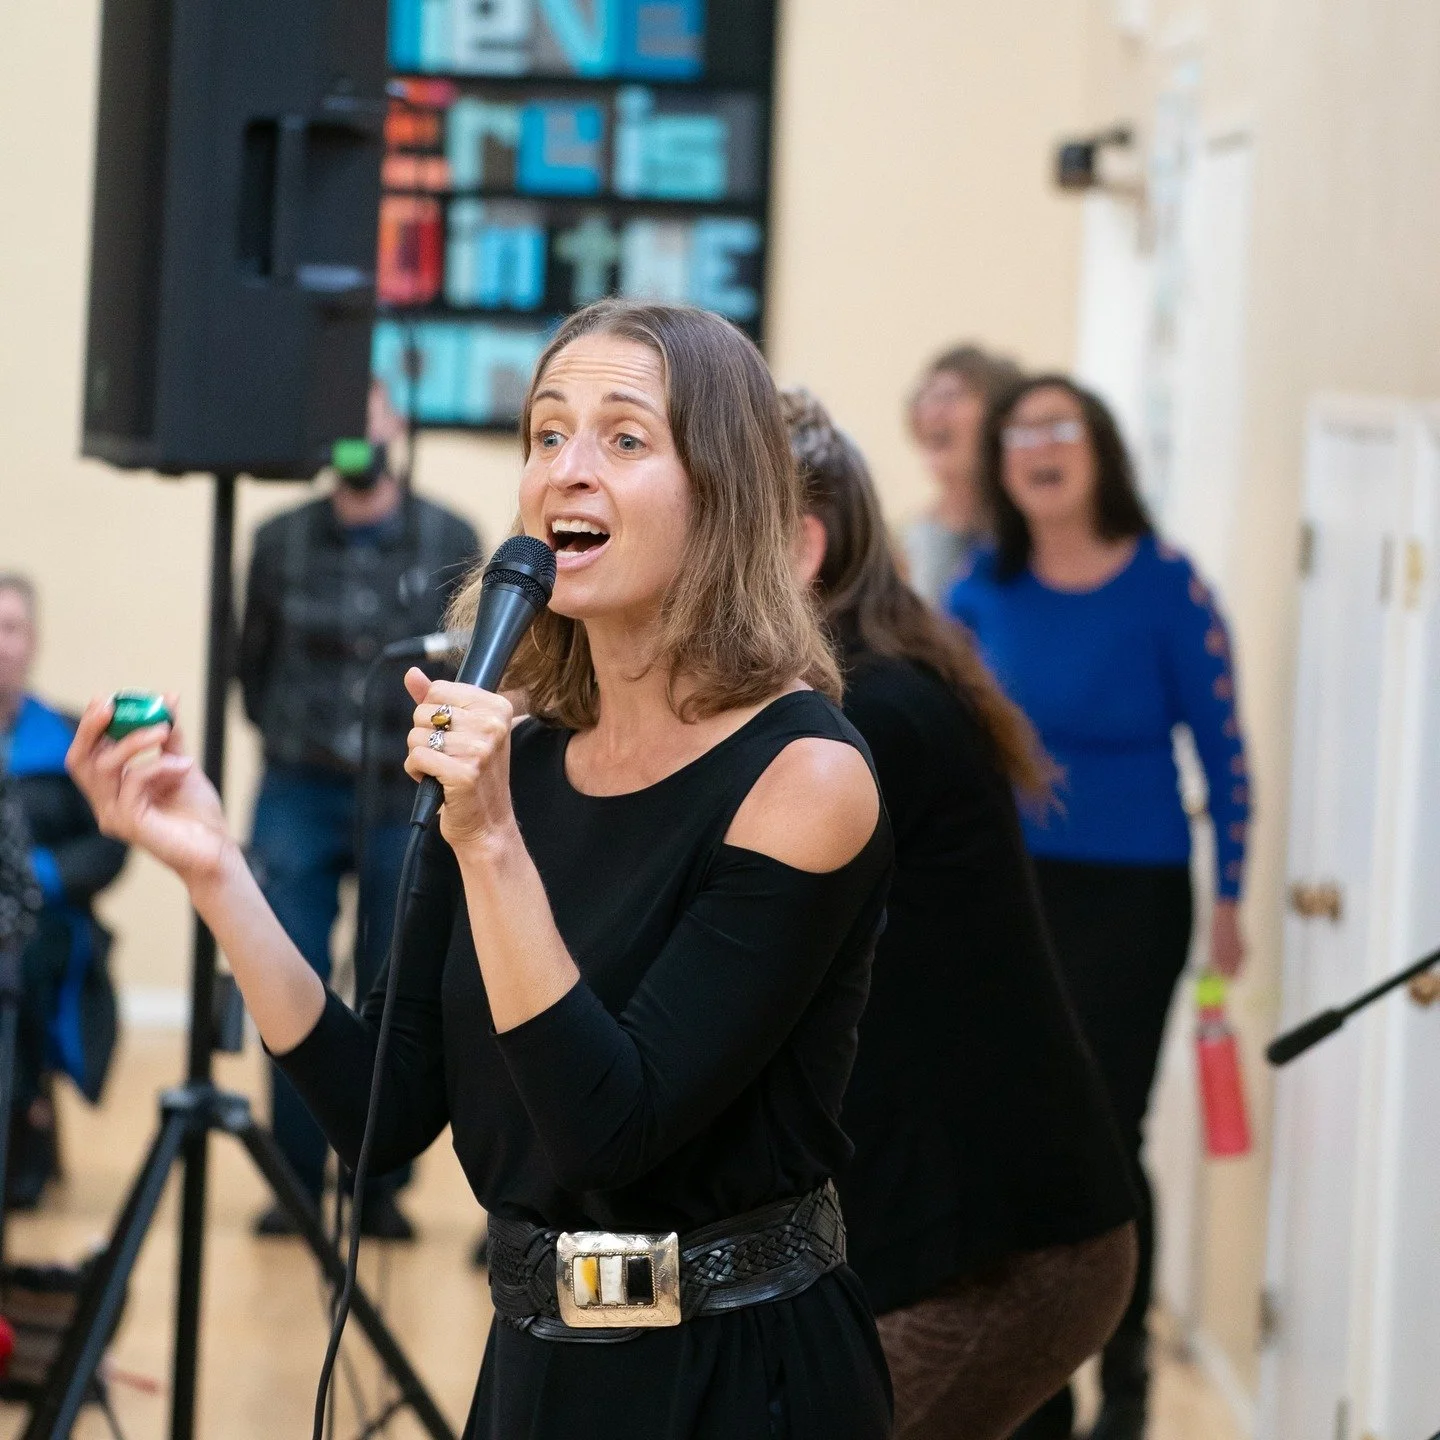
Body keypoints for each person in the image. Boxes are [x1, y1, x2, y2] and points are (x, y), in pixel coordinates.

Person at [69, 299, 897, 1439]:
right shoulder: (526, 754)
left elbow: (614, 1129)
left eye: (623, 438)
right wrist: (218, 873)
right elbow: (380, 1112)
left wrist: (491, 840)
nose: (568, 471)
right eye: (546, 435)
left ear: (727, 489)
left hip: (733, 1376)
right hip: (535, 1372)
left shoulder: (803, 776)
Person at [783, 388, 1137, 1440]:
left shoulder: (873, 716)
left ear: (801, 548)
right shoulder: (861, 691)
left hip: (1006, 1258)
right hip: (951, 1232)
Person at [948, 376, 1251, 1440]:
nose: (1037, 447)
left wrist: (1231, 899)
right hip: (1011, 896)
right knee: (1021, 1132)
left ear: (1101, 451)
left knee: (1107, 1138)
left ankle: (1124, 1388)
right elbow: (944, 747)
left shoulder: (1169, 586)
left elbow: (1224, 753)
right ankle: (1038, 1389)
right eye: (1018, 431)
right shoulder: (982, 588)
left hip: (1135, 895)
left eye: (1058, 427)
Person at [237, 380, 479, 1239]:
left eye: (372, 424)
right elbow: (252, 668)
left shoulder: (451, 539)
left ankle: (377, 1187)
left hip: (403, 791)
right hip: (297, 788)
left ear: (397, 432)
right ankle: (293, 1182)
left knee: (393, 977)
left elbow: (466, 671)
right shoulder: (276, 541)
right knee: (285, 971)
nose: (358, 441)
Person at [0, 574, 127, 1208]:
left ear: (33, 642)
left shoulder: (70, 740)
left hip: (45, 928)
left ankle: (25, 1119)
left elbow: (109, 845)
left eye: (10, 627)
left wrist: (33, 878)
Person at [903, 344, 1024, 607]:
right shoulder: (906, 544)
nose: (932, 411)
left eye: (951, 396)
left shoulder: (1028, 540)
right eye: (925, 397)